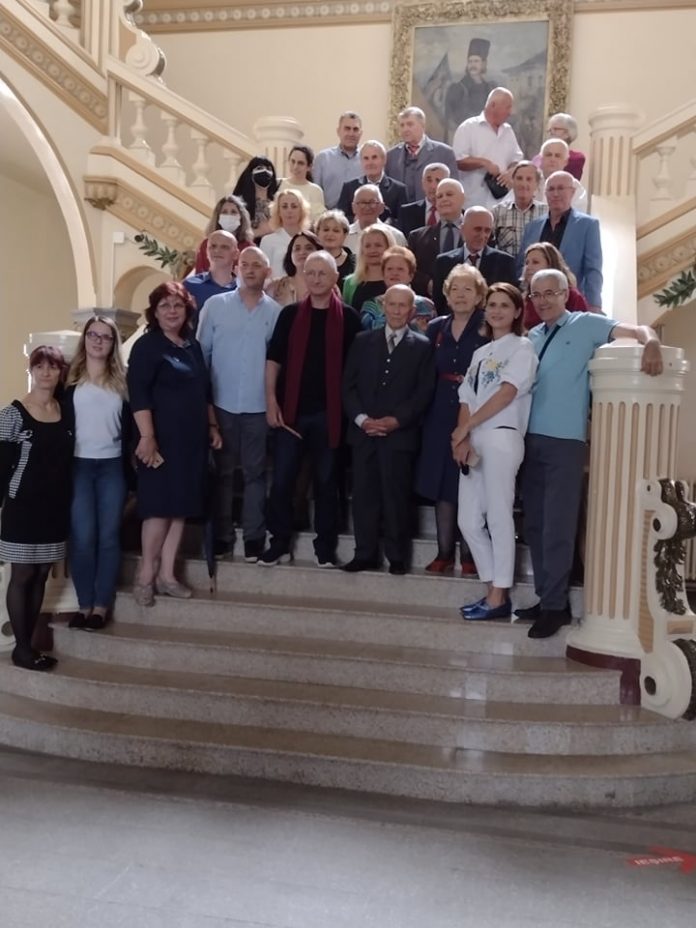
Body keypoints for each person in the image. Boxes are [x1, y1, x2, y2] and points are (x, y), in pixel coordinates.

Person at [520, 268, 663, 639]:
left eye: (551, 292)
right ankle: (545, 597)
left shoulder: (585, 324)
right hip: (527, 440)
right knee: (534, 525)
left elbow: (636, 330)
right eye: (537, 294)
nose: (544, 300)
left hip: (565, 441)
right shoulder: (532, 336)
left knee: (558, 525)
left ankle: (556, 607)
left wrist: (651, 342)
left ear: (565, 293)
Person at [264, 251, 361, 567]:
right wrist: (271, 401)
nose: (316, 278)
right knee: (282, 481)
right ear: (304, 276)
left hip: (331, 415)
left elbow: (356, 372)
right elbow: (273, 360)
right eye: (311, 273)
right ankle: (278, 542)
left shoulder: (350, 318)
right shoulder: (290, 315)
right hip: (290, 413)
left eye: (323, 273)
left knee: (327, 483)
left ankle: (325, 548)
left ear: (335, 278)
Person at [127, 281, 222, 606]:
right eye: (164, 306)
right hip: (159, 441)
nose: (171, 311)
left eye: (177, 305)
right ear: (154, 312)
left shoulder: (191, 346)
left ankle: (168, 576)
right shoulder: (147, 346)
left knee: (180, 509)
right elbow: (138, 394)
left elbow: (204, 391)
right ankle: (145, 576)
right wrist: (147, 437)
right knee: (158, 509)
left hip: (191, 441)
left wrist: (212, 425)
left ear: (187, 310)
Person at [452, 284, 538, 620]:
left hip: (502, 435)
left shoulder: (522, 347)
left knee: (499, 515)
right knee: (468, 520)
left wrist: (466, 427)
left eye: (505, 305)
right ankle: (493, 590)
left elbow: (506, 393)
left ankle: (498, 595)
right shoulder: (480, 353)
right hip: (475, 438)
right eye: (492, 305)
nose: (497, 311)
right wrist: (463, 437)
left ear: (517, 312)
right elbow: (465, 397)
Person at [342, 285, 435, 574]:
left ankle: (397, 556)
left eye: (402, 305)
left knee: (396, 496)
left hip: (399, 435)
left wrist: (396, 420)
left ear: (411, 310)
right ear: (384, 307)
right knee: (364, 495)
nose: (396, 310)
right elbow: (348, 386)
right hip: (364, 433)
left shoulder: (423, 346)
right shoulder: (362, 341)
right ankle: (364, 553)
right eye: (391, 304)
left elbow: (423, 393)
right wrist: (362, 419)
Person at [197, 247, 281, 563]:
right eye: (245, 264)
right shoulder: (215, 306)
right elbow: (201, 356)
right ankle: (221, 536)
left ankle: (254, 537)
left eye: (257, 265)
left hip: (258, 407)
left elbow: (277, 362)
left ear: (267, 272)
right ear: (236, 268)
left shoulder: (276, 312)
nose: (250, 269)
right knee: (222, 474)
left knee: (256, 474)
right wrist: (205, 407)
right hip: (221, 405)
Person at [0, 346, 72, 671]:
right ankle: (22, 648)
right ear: (31, 370)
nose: (46, 372)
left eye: (52, 367)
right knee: (23, 573)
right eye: (39, 366)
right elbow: (1, 467)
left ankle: (27, 645)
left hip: (54, 506)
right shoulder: (12, 414)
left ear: (60, 372)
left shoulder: (65, 412)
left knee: (42, 572)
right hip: (22, 506)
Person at [415, 265, 489, 576]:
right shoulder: (436, 327)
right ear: (446, 295)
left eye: (468, 289)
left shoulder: (488, 326)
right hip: (439, 411)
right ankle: (444, 552)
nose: (460, 295)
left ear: (479, 296)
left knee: (471, 481)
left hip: (478, 410)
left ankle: (471, 555)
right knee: (443, 481)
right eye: (455, 289)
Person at [64, 316, 130, 632]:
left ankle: (100, 607)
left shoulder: (123, 381)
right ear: (85, 339)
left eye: (105, 336)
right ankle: (84, 604)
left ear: (113, 343)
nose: (98, 341)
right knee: (82, 537)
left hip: (111, 466)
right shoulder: (69, 380)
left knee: (108, 536)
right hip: (78, 465)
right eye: (93, 335)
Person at [517, 170, 603, 310]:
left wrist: (594, 304)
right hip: (536, 304)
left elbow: (593, 269)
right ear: (545, 194)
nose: (555, 194)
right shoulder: (532, 227)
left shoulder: (588, 225)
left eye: (561, 188)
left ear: (572, 192)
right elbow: (521, 266)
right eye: (551, 189)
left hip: (570, 304)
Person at [432, 206, 518, 313]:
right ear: (462, 229)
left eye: (487, 231)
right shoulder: (443, 262)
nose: (482, 235)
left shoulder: (505, 262)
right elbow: (439, 304)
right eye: (477, 229)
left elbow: (510, 302)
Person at [453, 87, 523, 209]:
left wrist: (511, 172)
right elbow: (458, 161)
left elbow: (516, 159)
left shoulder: (508, 131)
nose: (510, 112)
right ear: (493, 105)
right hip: (473, 203)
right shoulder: (468, 128)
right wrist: (484, 163)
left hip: (503, 204)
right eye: (507, 107)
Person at [408, 177, 466, 298]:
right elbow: (410, 269)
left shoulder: (478, 231)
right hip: (429, 302)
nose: (444, 199)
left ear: (463, 198)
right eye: (439, 196)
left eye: (449, 194)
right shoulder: (417, 237)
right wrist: (428, 284)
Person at [385, 106, 458, 202]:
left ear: (422, 126)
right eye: (402, 125)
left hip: (433, 208)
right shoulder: (391, 155)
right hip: (401, 210)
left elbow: (453, 189)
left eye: (410, 124)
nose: (405, 129)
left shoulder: (444, 153)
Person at [360, 246, 435, 331]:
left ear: (411, 275)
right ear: (383, 274)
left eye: (400, 269)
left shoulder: (426, 306)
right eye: (389, 269)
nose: (394, 273)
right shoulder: (370, 306)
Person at [337, 141, 408, 224]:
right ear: (361, 162)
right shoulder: (349, 188)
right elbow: (340, 219)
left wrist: (389, 222)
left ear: (384, 160)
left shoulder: (399, 190)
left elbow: (404, 222)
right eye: (366, 158)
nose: (370, 163)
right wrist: (355, 220)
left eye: (374, 157)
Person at [521, 242, 588, 328]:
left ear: (550, 265)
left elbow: (583, 327)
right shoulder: (525, 298)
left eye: (535, 262)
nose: (528, 267)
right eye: (527, 263)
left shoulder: (572, 296)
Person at [491, 161, 548, 257]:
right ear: (512, 182)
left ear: (536, 184)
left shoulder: (546, 213)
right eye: (519, 178)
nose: (523, 183)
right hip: (506, 265)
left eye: (529, 179)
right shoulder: (498, 211)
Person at [445, 38, 495, 139]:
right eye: (470, 61)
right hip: (464, 137)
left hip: (486, 138)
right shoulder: (457, 89)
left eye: (476, 61)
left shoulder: (490, 89)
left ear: (483, 63)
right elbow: (452, 119)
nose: (472, 65)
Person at [313, 111, 363, 209]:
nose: (351, 133)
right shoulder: (323, 158)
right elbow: (315, 194)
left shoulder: (367, 160)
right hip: (329, 215)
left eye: (355, 129)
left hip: (360, 215)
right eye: (347, 128)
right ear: (338, 131)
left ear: (360, 133)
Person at [342, 224, 395, 315]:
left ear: (388, 247)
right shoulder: (350, 283)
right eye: (367, 246)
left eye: (378, 245)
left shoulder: (398, 279)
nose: (372, 250)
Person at [184, 230, 238, 317]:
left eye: (224, 247)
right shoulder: (190, 285)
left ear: (236, 254)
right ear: (206, 252)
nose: (217, 250)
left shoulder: (243, 290)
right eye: (213, 246)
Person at [194, 194, 254, 273]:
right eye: (224, 212)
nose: (229, 216)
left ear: (241, 217)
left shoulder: (248, 248)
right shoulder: (206, 244)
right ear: (218, 217)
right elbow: (199, 273)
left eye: (233, 212)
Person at [259, 189, 311, 278]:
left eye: (294, 206)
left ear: (301, 210)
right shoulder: (267, 241)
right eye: (284, 207)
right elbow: (262, 274)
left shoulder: (310, 239)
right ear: (278, 211)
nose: (289, 211)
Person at [345, 184, 406, 254]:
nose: (367, 207)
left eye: (372, 202)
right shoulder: (343, 237)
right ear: (353, 207)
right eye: (362, 203)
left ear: (382, 207)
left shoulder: (396, 236)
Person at [268, 231, 322, 306]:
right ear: (290, 254)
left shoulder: (328, 286)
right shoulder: (276, 287)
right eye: (297, 249)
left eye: (309, 248)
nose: (302, 252)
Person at [398, 162, 451, 239]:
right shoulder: (406, 212)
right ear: (422, 182)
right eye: (429, 180)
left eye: (438, 181)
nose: (432, 186)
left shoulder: (456, 213)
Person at [232, 157, 280, 239]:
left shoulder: (278, 203)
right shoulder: (240, 204)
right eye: (260, 168)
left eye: (269, 169)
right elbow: (235, 234)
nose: (265, 171)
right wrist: (262, 231)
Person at [277, 144, 326, 221]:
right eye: (293, 161)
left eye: (300, 163)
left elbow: (318, 220)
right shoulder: (278, 183)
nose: (295, 167)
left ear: (309, 167)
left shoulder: (315, 190)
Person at [537, 139, 587, 212]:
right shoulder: (530, 180)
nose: (552, 159)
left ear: (565, 162)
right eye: (548, 155)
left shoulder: (574, 186)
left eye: (557, 156)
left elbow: (578, 213)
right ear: (541, 159)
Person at [533, 112, 586, 181]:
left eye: (555, 129)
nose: (551, 132)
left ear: (567, 133)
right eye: (549, 130)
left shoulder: (576, 158)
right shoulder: (539, 157)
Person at [314, 209, 356, 284]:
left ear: (345, 235)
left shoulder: (355, 263)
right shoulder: (311, 260)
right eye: (326, 230)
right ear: (317, 232)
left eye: (336, 231)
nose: (330, 234)